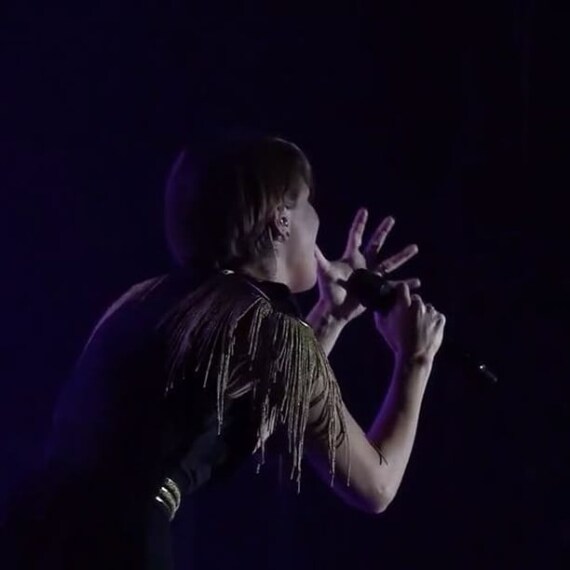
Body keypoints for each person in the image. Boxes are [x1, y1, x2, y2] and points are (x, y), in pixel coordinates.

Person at [1, 135, 445, 569]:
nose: (318, 221)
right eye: (308, 202)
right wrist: (415, 357)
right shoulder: (271, 330)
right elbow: (375, 486)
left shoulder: (147, 298)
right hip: (117, 545)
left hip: (29, 527)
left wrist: (331, 314)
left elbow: (254, 411)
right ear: (281, 218)